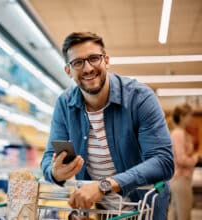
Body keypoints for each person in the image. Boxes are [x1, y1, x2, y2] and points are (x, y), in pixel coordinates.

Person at [40, 32, 174, 220]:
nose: (87, 68)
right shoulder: (65, 104)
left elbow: (163, 161)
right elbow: (47, 159)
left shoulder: (140, 98)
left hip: (144, 208)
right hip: (102, 211)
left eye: (94, 58)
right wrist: (54, 172)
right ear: (68, 70)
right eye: (78, 62)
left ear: (106, 61)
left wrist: (105, 185)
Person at [168, 104, 199, 220]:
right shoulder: (178, 133)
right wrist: (195, 158)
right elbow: (181, 160)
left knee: (175, 214)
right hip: (181, 179)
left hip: (179, 179)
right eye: (189, 115)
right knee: (184, 216)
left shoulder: (180, 133)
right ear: (182, 116)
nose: (191, 118)